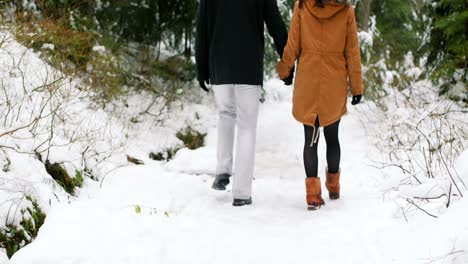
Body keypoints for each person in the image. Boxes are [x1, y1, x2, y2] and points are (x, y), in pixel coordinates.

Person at [195, 0, 293, 206]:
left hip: (219, 63)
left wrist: (202, 66)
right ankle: (241, 192)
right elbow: (275, 24)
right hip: (248, 65)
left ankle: (222, 170)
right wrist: (287, 63)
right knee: (247, 127)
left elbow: (202, 26)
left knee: (225, 115)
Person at [277, 0, 363, 210]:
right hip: (334, 79)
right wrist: (357, 86)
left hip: (309, 76)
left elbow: (293, 43)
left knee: (310, 139)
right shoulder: (346, 10)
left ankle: (313, 196)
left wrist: (284, 70)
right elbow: (352, 50)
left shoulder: (302, 5)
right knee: (332, 136)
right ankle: (333, 186)